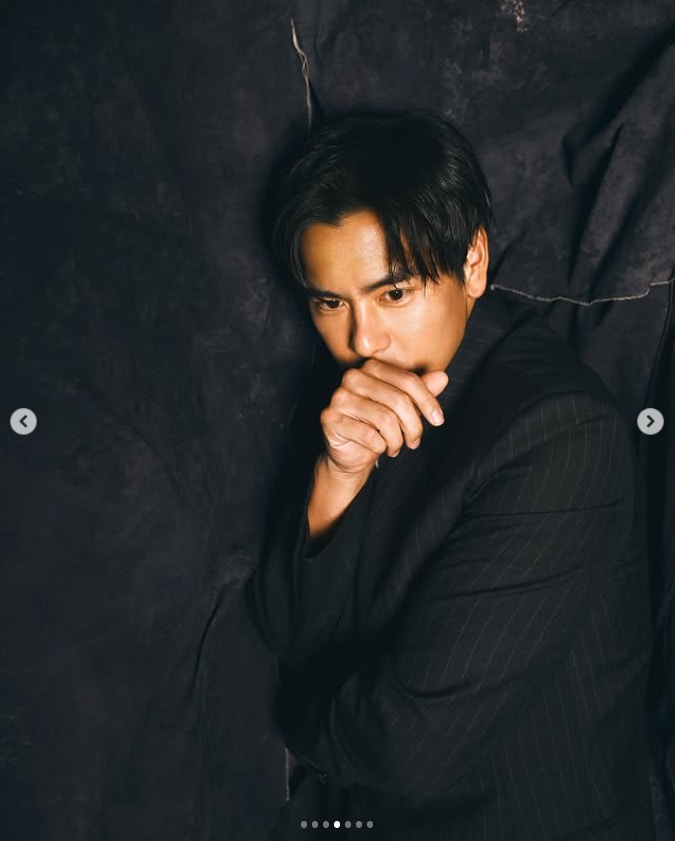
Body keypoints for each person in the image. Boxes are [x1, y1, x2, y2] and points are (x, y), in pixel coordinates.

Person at [246, 111, 654, 840]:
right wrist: (337, 476)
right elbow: (284, 627)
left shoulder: (560, 434)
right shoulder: (351, 393)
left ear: (472, 264)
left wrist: (293, 714)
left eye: (393, 294)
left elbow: (407, 749)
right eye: (330, 302)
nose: (362, 338)